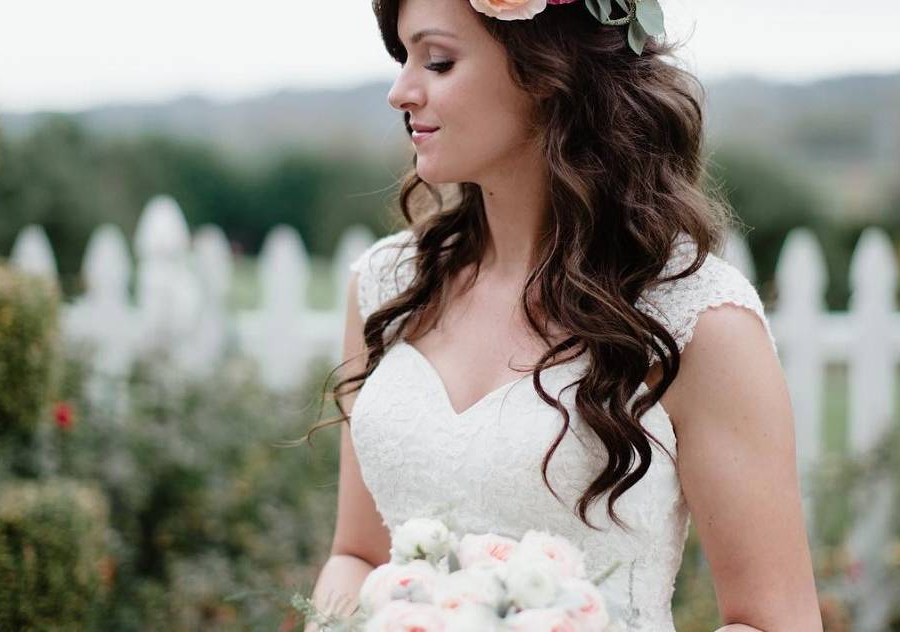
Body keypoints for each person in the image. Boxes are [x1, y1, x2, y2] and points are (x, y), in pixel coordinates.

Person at [306, 0, 822, 630]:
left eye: (437, 60)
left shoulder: (700, 321)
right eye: (404, 58)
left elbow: (776, 620)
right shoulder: (389, 285)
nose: (400, 91)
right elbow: (356, 557)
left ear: (550, 71)